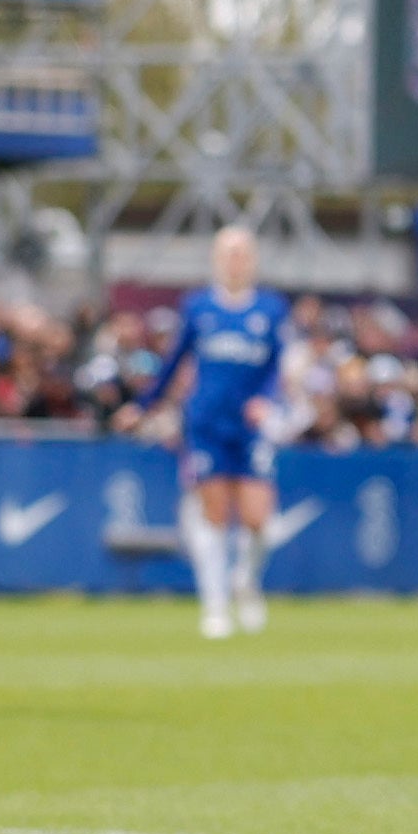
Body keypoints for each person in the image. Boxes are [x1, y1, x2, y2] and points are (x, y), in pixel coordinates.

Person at [118, 227, 290, 639]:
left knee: (258, 519)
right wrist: (143, 406)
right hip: (207, 424)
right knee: (214, 515)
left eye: (242, 252)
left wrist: (267, 400)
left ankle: (245, 579)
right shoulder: (198, 307)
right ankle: (214, 606)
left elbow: (276, 368)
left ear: (253, 259)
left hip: (249, 427)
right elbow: (175, 361)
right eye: (228, 252)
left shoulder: (270, 309)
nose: (235, 260)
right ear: (216, 259)